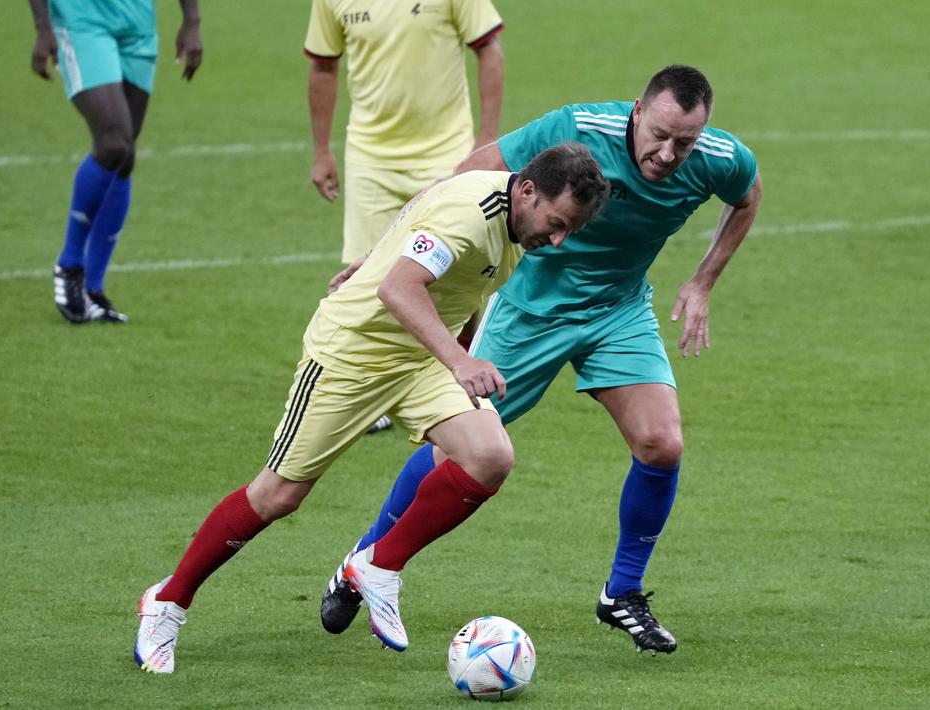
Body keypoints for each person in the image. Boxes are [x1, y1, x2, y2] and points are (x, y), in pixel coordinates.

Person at [320, 65, 763, 655]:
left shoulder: (721, 158)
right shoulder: (579, 130)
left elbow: (747, 198)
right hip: (530, 309)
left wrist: (704, 281)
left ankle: (622, 594)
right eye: (660, 134)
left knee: (663, 443)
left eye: (685, 141)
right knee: (457, 447)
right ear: (638, 110)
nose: (668, 153)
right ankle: (364, 560)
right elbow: (467, 174)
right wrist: (384, 255)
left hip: (619, 310)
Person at [132, 143, 609, 674]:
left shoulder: (518, 225)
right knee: (278, 495)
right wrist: (455, 356)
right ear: (526, 190)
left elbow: (442, 249)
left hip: (418, 359)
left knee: (490, 455)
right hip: (351, 355)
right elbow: (399, 287)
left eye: (572, 230)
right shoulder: (472, 216)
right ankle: (167, 602)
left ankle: (378, 564)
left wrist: (388, 260)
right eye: (558, 222)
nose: (559, 239)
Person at [30, 0, 203, 323]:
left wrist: (191, 20)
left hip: (137, 24)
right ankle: (69, 265)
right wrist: (43, 28)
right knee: (112, 144)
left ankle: (93, 288)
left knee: (124, 156)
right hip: (81, 22)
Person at [305, 0, 505, 265]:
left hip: (448, 156)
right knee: (364, 278)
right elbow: (323, 66)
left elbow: (489, 50)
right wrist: (321, 152)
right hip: (371, 163)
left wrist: (487, 140)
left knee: (455, 277)